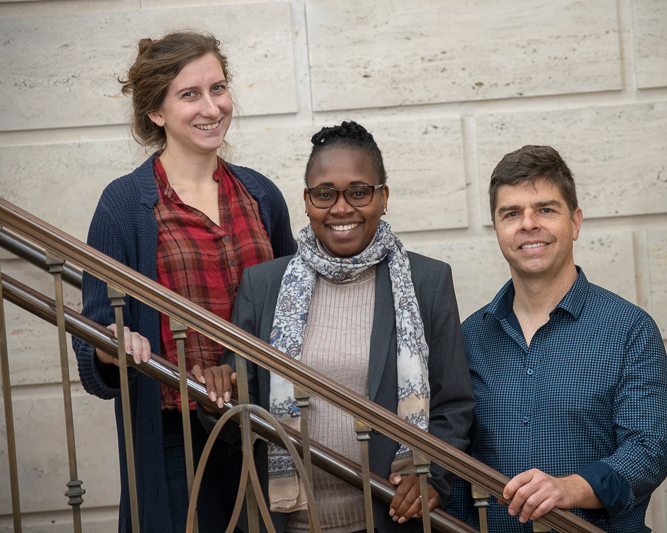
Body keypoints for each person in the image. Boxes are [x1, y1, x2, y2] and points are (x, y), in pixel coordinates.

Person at [194, 120, 474, 533]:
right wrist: (213, 395)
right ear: (307, 201)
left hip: (387, 519)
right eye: (325, 194)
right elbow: (240, 416)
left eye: (358, 192)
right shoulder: (263, 285)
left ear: (383, 197)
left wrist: (431, 473)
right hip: (285, 524)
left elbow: (453, 404)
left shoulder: (427, 282)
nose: (341, 208)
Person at [72, 32, 296, 533]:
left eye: (218, 88)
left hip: (260, 424)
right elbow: (96, 327)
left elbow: (296, 306)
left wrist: (239, 368)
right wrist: (112, 343)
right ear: (156, 111)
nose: (211, 107)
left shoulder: (262, 195)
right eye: (189, 94)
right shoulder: (124, 206)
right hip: (173, 433)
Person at [447, 145, 667, 533]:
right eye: (512, 213)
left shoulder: (630, 329)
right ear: (498, 229)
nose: (528, 224)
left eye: (545, 210)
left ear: (575, 222)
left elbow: (650, 449)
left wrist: (568, 489)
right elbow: (454, 460)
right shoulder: (470, 337)